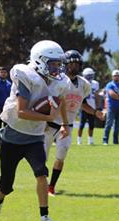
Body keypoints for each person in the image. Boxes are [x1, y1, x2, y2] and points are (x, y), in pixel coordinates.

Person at [0, 40, 69, 221]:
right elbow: (22, 111)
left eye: (59, 63)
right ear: (40, 61)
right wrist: (49, 117)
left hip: (34, 137)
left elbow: (61, 99)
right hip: (13, 137)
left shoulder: (58, 81)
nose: (57, 68)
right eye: (53, 63)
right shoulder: (26, 75)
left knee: (41, 173)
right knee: (6, 183)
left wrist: (64, 122)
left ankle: (45, 218)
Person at [45, 50, 104, 196]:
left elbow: (82, 103)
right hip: (50, 124)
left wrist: (96, 112)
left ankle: (51, 186)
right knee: (42, 158)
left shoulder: (84, 84)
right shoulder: (56, 80)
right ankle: (42, 184)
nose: (75, 66)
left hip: (68, 126)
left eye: (77, 63)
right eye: (72, 63)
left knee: (61, 156)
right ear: (65, 64)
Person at [102, 69, 119, 145]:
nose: (116, 77)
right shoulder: (110, 85)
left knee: (118, 125)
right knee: (109, 124)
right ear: (112, 77)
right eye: (115, 76)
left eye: (118, 76)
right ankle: (105, 140)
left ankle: (115, 141)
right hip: (111, 107)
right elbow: (112, 95)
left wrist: (118, 95)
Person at [77, 67, 100, 145]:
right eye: (88, 75)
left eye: (91, 75)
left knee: (91, 124)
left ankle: (90, 140)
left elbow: (96, 96)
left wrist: (97, 106)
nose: (90, 77)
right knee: (81, 124)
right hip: (84, 106)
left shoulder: (95, 83)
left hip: (92, 106)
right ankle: (79, 140)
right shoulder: (82, 83)